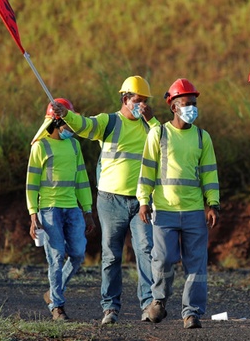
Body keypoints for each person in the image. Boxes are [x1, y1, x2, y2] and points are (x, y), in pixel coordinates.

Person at [51, 76, 159, 325]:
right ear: (125, 99)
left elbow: (165, 143)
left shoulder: (150, 126)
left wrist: (151, 118)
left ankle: (148, 305)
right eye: (137, 100)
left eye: (144, 102)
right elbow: (85, 125)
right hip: (110, 201)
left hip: (141, 201)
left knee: (145, 250)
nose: (141, 105)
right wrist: (66, 114)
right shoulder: (108, 122)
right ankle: (110, 308)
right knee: (111, 255)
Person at [137, 78, 220, 329]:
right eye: (186, 103)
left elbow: (209, 173)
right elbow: (147, 170)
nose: (191, 108)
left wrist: (213, 204)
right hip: (165, 211)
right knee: (162, 259)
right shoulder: (158, 133)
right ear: (174, 106)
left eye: (194, 103)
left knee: (196, 264)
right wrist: (143, 201)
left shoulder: (202, 137)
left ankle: (191, 313)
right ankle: (159, 301)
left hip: (194, 211)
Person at [27, 98, 96, 321]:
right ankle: (57, 306)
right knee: (55, 257)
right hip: (48, 211)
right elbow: (31, 182)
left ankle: (53, 293)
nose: (72, 128)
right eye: (67, 122)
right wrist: (32, 213)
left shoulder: (74, 145)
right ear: (56, 122)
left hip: (72, 209)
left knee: (77, 255)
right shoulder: (40, 146)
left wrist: (87, 210)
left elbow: (82, 179)